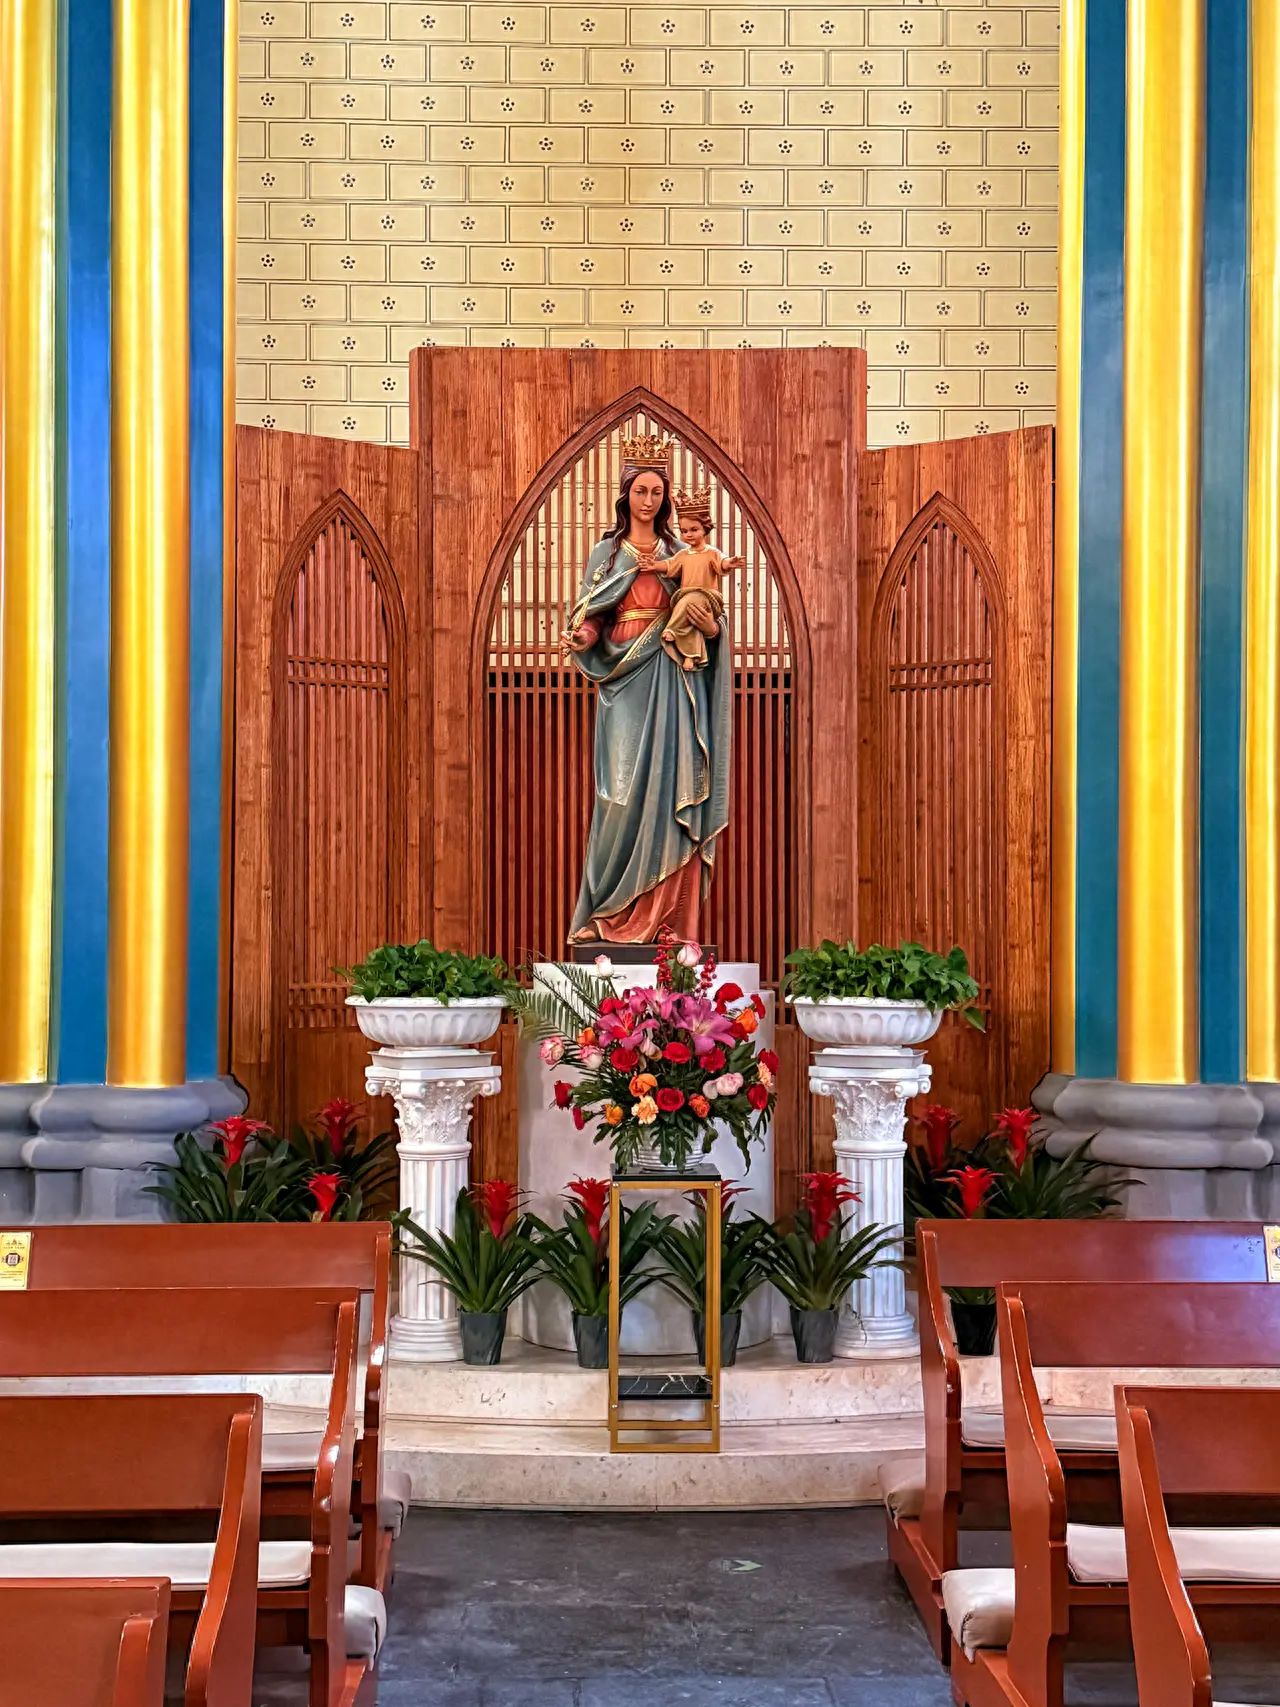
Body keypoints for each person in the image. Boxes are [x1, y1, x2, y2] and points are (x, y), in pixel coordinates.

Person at [558, 441, 731, 944]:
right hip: (624, 683)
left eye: (657, 491)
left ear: (667, 497)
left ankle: (672, 928)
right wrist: (582, 636)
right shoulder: (606, 552)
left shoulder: (684, 553)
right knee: (619, 795)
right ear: (625, 494)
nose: (649, 500)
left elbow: (712, 620)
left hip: (676, 678)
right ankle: (608, 914)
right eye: (641, 490)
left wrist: (711, 628)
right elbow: (592, 616)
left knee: (674, 791)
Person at [660, 489, 746, 671]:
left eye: (693, 529)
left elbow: (722, 562)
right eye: (684, 531)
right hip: (688, 595)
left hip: (708, 597)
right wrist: (652, 566)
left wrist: (730, 562)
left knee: (689, 603)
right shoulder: (683, 554)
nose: (688, 535)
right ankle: (692, 657)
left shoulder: (711, 553)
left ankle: (672, 629)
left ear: (705, 529)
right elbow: (669, 565)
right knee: (691, 622)